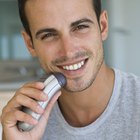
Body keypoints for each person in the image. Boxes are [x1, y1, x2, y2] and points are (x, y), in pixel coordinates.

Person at [1, 0, 140, 139]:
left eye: (80, 27)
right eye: (48, 35)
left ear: (102, 26)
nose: (68, 52)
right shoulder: (26, 122)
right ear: (29, 44)